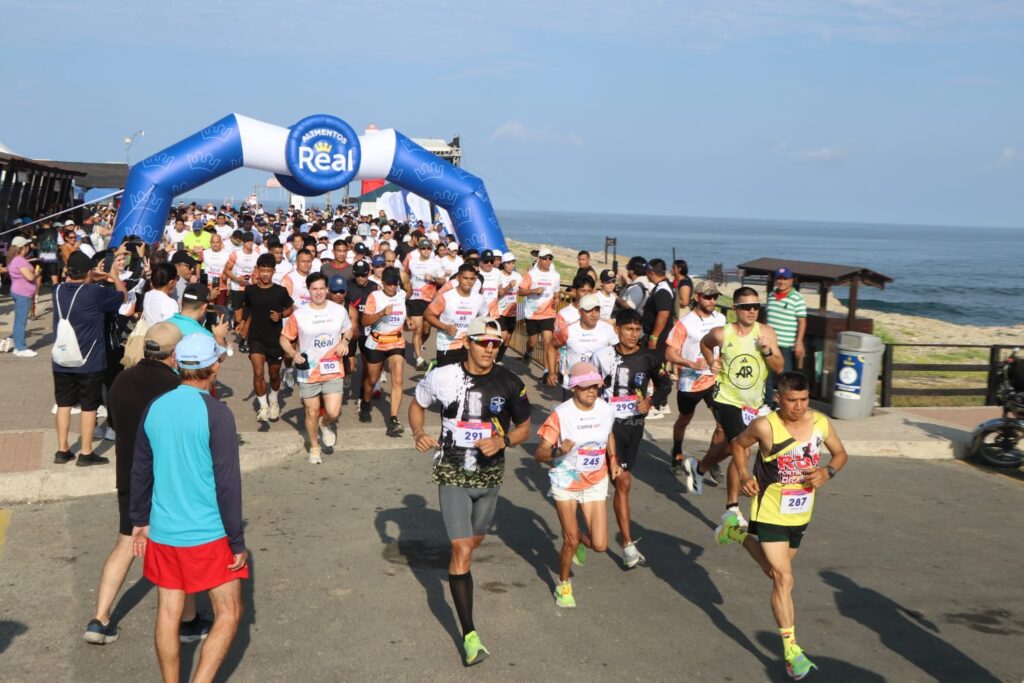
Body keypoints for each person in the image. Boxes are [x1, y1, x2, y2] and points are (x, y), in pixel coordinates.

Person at [409, 316, 531, 666]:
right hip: (452, 470)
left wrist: (503, 440)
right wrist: (418, 433)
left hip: (489, 477)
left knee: (473, 542)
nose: (489, 349)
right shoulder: (444, 377)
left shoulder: (509, 381)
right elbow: (417, 404)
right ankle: (469, 635)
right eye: (483, 343)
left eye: (495, 344)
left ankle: (461, 562)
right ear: (468, 343)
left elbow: (525, 427)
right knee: (461, 548)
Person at [83, 322, 212, 645]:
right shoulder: (175, 387)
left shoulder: (120, 381)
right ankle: (188, 621)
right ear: (174, 354)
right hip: (169, 479)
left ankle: (99, 618)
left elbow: (114, 425)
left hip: (129, 475)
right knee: (181, 549)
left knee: (125, 542)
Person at [130, 333, 247, 683]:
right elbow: (227, 484)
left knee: (169, 610)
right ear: (214, 366)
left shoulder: (156, 406)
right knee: (229, 611)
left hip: (164, 528)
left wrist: (139, 519)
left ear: (179, 365)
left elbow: (141, 468)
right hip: (208, 531)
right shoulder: (217, 414)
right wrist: (237, 540)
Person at [716, 371, 849, 680]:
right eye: (792, 400)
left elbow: (841, 454)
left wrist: (828, 472)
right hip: (770, 511)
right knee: (784, 579)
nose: (799, 407)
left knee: (774, 573)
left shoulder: (820, 423)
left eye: (804, 400)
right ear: (779, 398)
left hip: (800, 515)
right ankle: (791, 651)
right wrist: (745, 475)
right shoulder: (765, 426)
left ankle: (735, 531)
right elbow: (737, 445)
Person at [686, 287, 784, 526]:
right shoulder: (722, 333)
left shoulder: (766, 333)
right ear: (735, 309)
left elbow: (779, 367)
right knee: (742, 447)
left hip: (755, 403)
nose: (752, 311)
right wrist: (712, 361)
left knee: (732, 448)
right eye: (746, 307)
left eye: (756, 307)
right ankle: (732, 508)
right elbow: (705, 344)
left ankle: (700, 467)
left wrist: (767, 351)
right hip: (726, 399)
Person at [535, 361, 621, 608]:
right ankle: (563, 584)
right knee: (570, 539)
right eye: (585, 387)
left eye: (595, 386)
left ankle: (582, 540)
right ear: (573, 388)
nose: (591, 391)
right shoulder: (561, 415)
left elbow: (609, 435)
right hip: (566, 478)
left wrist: (613, 459)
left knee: (600, 545)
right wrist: (558, 450)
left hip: (595, 479)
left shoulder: (606, 410)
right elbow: (539, 454)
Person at [592, 309, 663, 568]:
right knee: (623, 482)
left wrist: (650, 401)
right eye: (628, 329)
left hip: (633, 427)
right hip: (604, 427)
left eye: (637, 330)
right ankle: (628, 544)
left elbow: (664, 384)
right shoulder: (602, 356)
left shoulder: (649, 358)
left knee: (617, 482)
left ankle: (587, 530)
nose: (633, 335)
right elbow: (586, 389)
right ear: (617, 330)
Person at [52, 250, 127, 466]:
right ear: (88, 273)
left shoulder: (57, 291)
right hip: (89, 360)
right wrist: (113, 277)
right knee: (89, 406)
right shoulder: (94, 293)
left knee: (63, 403)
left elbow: (74, 280)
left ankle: (62, 449)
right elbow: (122, 296)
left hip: (61, 358)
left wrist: (96, 274)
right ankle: (86, 452)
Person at [280, 272, 353, 464]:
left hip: (332, 368)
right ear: (309, 291)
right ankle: (314, 447)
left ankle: (325, 423)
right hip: (308, 371)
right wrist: (293, 353)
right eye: (314, 289)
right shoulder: (299, 315)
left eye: (322, 288)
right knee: (311, 412)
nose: (319, 292)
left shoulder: (339, 311)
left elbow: (349, 329)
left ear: (327, 289)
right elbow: (284, 338)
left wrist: (345, 340)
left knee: (333, 411)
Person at [666, 280, 727, 473]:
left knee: (721, 425)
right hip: (690, 382)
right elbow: (670, 353)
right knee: (684, 419)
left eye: (715, 297)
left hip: (715, 380)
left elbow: (726, 346)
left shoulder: (721, 319)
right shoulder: (685, 323)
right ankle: (676, 452)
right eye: (708, 296)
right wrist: (691, 364)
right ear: (697, 297)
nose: (712, 301)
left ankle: (711, 460)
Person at [239, 254, 293, 421]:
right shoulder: (250, 290)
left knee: (274, 375)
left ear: (273, 272)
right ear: (257, 270)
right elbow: (247, 308)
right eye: (262, 270)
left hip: (275, 339)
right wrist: (242, 323)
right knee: (258, 372)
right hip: (256, 338)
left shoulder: (280, 291)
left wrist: (281, 315)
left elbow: (290, 308)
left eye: (268, 271)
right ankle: (263, 407)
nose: (265, 274)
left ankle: (274, 400)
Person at [359, 266, 407, 435]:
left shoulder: (401, 295)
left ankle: (393, 420)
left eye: (395, 283)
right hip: (377, 342)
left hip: (396, 342)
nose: (392, 286)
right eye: (389, 283)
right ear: (383, 282)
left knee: (398, 379)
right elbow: (365, 321)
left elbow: (402, 317)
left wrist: (408, 323)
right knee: (372, 380)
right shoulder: (375, 297)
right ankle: (365, 403)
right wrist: (380, 314)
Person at [546, 293, 618, 391]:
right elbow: (551, 346)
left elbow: (618, 352)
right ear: (580, 312)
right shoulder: (568, 330)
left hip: (599, 386)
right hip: (573, 385)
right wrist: (551, 373)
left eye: (597, 310)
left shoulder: (608, 329)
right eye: (589, 310)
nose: (594, 314)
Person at [425, 264, 492, 368]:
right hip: (447, 345)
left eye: (472, 279)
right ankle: (434, 369)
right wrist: (445, 327)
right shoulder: (447, 297)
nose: (469, 281)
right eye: (465, 278)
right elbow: (428, 314)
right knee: (447, 381)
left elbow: (486, 318)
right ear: (458, 278)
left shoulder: (479, 299)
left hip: (469, 345)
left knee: (466, 380)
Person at [403, 238, 447, 370]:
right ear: (419, 249)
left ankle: (418, 346)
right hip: (415, 299)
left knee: (427, 330)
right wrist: (406, 288)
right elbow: (405, 274)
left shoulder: (436, 264)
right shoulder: (412, 262)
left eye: (428, 248)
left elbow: (443, 281)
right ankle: (419, 359)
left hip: (429, 300)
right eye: (423, 248)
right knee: (417, 330)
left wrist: (433, 279)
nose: (426, 251)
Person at [641, 258, 675, 419]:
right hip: (656, 336)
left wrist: (654, 337)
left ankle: (656, 404)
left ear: (651, 272)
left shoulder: (663, 290)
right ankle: (661, 403)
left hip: (658, 338)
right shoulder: (662, 287)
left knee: (655, 370)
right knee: (654, 369)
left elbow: (663, 314)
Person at [765, 267, 808, 392]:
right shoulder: (771, 294)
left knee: (785, 376)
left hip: (786, 344)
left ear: (791, 280)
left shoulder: (797, 298)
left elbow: (802, 321)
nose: (781, 282)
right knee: (766, 373)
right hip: (769, 343)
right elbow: (767, 317)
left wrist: (799, 342)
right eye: (779, 278)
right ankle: (768, 402)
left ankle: (783, 403)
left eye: (785, 279)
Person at [518, 247, 560, 362]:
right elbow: (521, 292)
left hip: (548, 313)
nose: (547, 260)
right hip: (532, 313)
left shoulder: (556, 275)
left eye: (550, 258)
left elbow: (556, 292)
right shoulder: (531, 274)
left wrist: (556, 299)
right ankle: (529, 351)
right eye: (545, 258)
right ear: (539, 259)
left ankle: (547, 372)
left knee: (547, 341)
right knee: (533, 341)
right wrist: (534, 291)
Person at [225, 232, 259, 351]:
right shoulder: (235, 254)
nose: (250, 243)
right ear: (243, 242)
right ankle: (242, 335)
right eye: (248, 241)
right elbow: (227, 270)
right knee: (239, 318)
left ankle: (244, 340)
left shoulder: (256, 255)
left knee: (248, 316)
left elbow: (257, 272)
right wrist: (237, 278)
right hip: (237, 287)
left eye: (252, 241)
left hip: (250, 288)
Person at [346, 260, 378, 386]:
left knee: (367, 362)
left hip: (368, 329)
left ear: (369, 273)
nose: (360, 278)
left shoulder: (375, 287)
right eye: (357, 275)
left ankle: (367, 386)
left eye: (363, 275)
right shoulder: (347, 286)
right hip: (351, 328)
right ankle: (347, 374)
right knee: (350, 365)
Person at [7, 235, 38, 357]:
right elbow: (29, 277)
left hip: (18, 291)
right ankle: (21, 348)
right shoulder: (20, 260)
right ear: (22, 247)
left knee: (18, 321)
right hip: (23, 294)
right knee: (21, 322)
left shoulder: (13, 259)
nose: (29, 247)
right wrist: (36, 273)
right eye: (27, 245)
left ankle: (18, 346)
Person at [494, 252, 521, 362]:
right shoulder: (498, 275)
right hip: (500, 311)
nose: (511, 265)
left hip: (513, 312)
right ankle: (491, 356)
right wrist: (509, 286)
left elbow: (523, 289)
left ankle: (498, 360)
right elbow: (499, 294)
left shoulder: (518, 276)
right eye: (508, 263)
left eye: (513, 263)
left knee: (508, 339)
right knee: (503, 335)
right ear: (503, 264)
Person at [201, 233, 231, 306]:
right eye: (213, 242)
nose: (215, 244)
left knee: (220, 310)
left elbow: (230, 269)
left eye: (217, 242)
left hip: (221, 286)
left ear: (221, 243)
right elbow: (198, 265)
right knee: (206, 308)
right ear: (210, 243)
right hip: (207, 286)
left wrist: (228, 283)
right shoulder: (204, 253)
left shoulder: (227, 254)